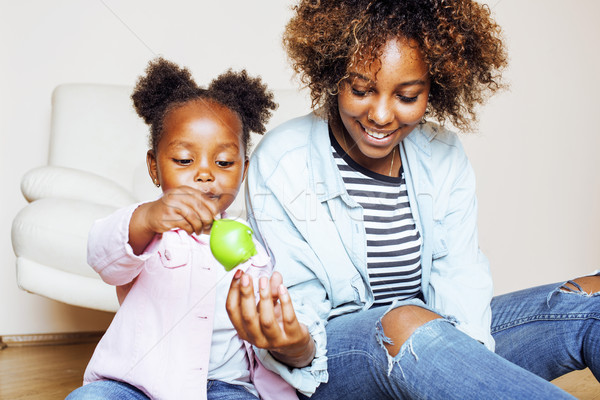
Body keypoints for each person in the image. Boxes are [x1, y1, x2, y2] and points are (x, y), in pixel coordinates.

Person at [225, 0, 600, 399]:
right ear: (334, 74)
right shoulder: (285, 159)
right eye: (361, 89)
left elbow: (460, 277)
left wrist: (453, 375)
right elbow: (300, 307)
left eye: (406, 96)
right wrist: (294, 345)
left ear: (433, 89)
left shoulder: (442, 153)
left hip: (434, 344)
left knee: (590, 301)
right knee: (406, 322)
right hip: (333, 365)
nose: (381, 115)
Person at [66, 58, 297, 400]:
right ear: (154, 167)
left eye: (223, 162)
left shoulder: (255, 244)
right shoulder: (145, 228)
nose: (205, 174)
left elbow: (270, 318)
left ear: (244, 171)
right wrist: (146, 218)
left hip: (224, 386)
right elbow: (102, 256)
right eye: (185, 160)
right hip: (134, 383)